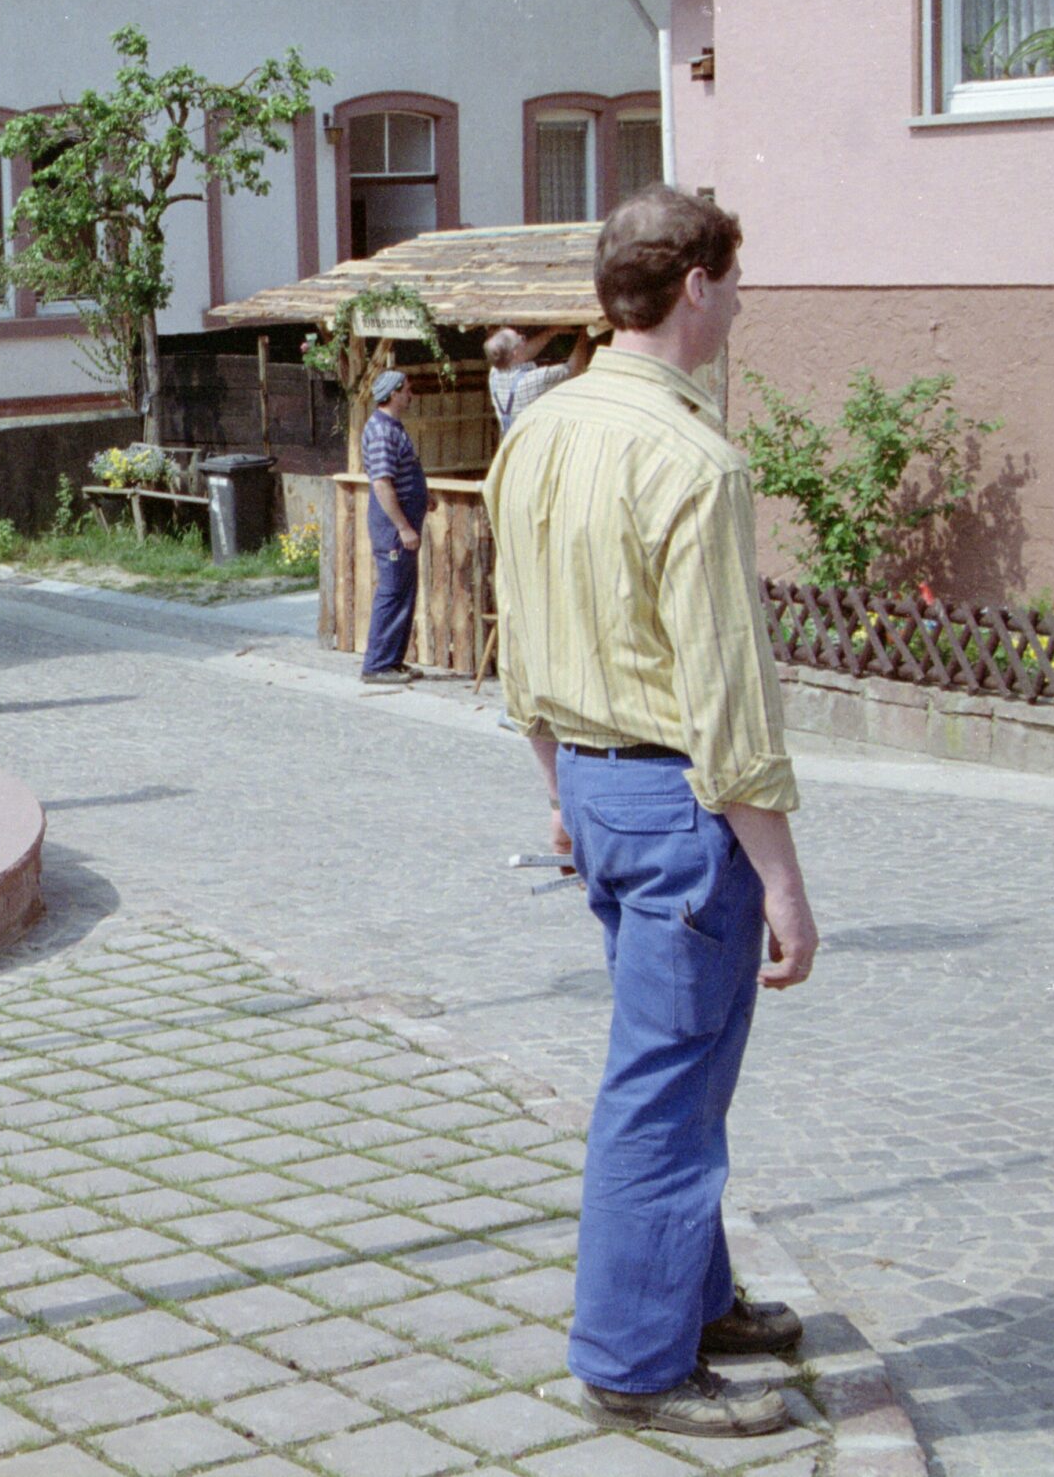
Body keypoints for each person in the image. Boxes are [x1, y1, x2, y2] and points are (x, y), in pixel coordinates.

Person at [484, 185, 820, 1439]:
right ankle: (632, 1358)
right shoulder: (692, 454)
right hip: (681, 802)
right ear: (695, 287)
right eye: (733, 282)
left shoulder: (542, 427)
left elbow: (512, 635)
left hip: (591, 778)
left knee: (681, 1063)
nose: (737, 305)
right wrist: (782, 879)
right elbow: (725, 700)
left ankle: (696, 1292)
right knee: (664, 1085)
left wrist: (556, 790)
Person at [360, 368, 426, 685]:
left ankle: (392, 661)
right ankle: (377, 664)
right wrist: (403, 527)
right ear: (394, 393)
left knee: (403, 592)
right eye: (407, 390)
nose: (410, 395)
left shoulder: (392, 427)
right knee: (392, 591)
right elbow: (382, 485)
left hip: (402, 523)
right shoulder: (383, 432)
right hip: (392, 529)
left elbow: (400, 477)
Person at [485, 326, 591, 436]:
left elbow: (525, 353)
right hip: (532, 442)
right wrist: (584, 334)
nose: (523, 338)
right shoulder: (531, 380)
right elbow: (573, 369)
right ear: (515, 353)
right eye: (521, 338)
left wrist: (552, 331)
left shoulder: (495, 373)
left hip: (512, 440)